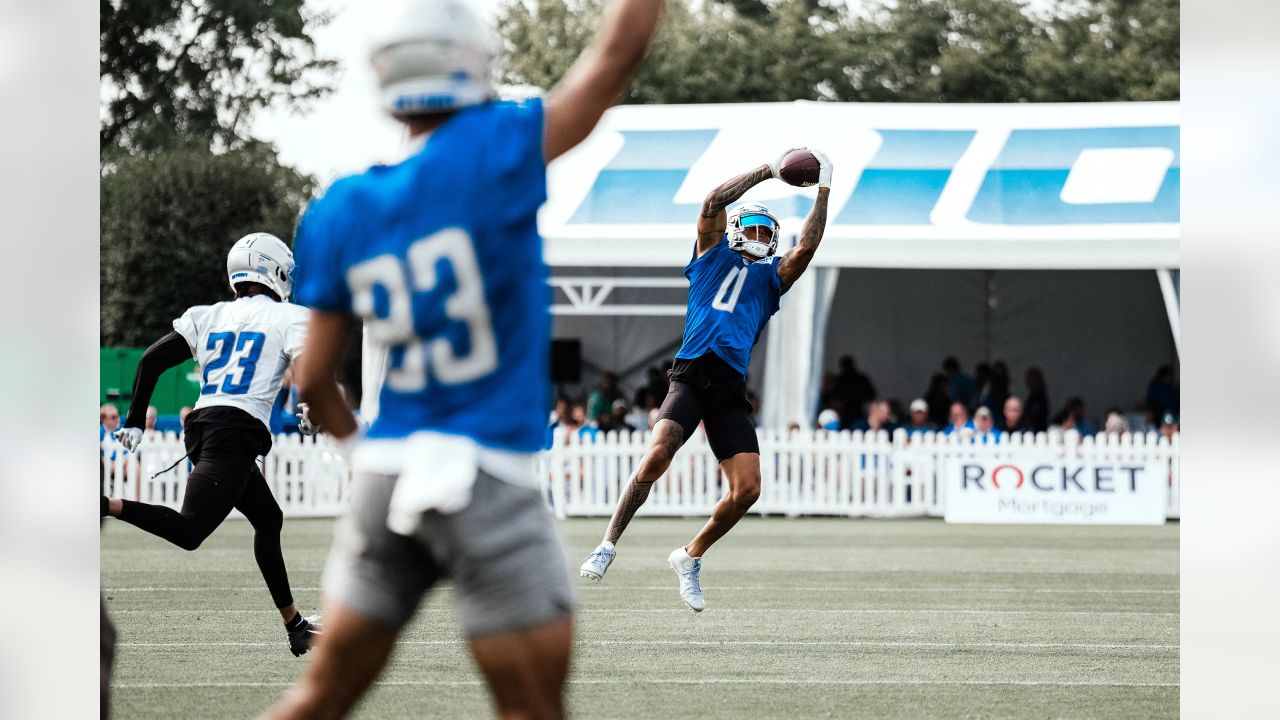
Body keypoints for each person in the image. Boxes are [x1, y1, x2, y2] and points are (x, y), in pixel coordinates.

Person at [263, 0, 666, 717]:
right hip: (484, 473)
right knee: (533, 708)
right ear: (471, 61)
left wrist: (363, 455)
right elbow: (615, 57)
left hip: (388, 477)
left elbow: (314, 380)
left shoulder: (340, 207)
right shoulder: (497, 147)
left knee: (319, 697)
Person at [578, 145, 834, 612]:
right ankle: (608, 543)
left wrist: (824, 189)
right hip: (692, 373)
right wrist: (768, 170)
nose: (759, 236)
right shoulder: (709, 254)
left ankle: (690, 556)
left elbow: (808, 247)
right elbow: (713, 202)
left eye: (766, 231)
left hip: (730, 385)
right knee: (657, 455)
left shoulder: (772, 278)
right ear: (736, 231)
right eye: (752, 227)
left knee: (748, 491)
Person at [101, 232, 321, 657]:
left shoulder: (209, 315)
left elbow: (150, 361)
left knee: (268, 518)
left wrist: (134, 422)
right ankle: (104, 504)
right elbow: (307, 367)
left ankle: (295, 625)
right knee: (190, 531)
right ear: (275, 272)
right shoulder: (291, 317)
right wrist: (310, 404)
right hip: (233, 434)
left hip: (204, 425)